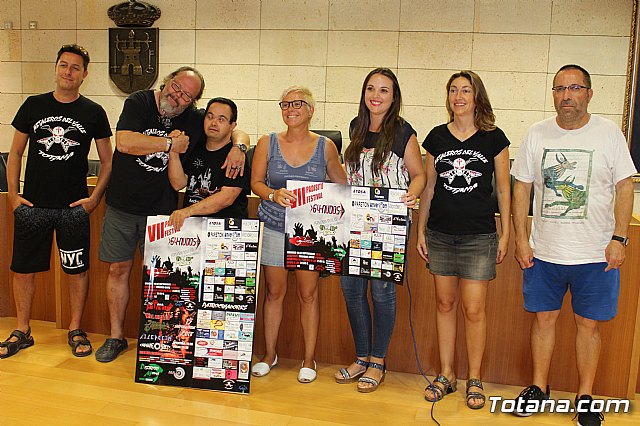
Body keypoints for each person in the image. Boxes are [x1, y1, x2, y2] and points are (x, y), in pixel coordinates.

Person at [95, 67, 249, 363]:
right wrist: (169, 144)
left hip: (163, 213)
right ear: (167, 81)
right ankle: (116, 337)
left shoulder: (193, 118)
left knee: (163, 280)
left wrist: (240, 147)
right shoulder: (139, 101)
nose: (177, 96)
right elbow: (124, 142)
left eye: (187, 95)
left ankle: (160, 343)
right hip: (122, 205)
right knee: (117, 270)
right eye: (176, 87)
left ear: (193, 101)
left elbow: (230, 126)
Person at [511, 64, 636, 425]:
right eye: (560, 88)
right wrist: (521, 239)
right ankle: (539, 388)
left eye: (575, 88)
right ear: (554, 94)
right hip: (544, 252)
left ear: (589, 94)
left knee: (588, 325)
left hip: (595, 254)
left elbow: (625, 186)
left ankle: (585, 397)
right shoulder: (537, 134)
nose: (567, 95)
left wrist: (619, 237)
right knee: (543, 320)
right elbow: (521, 189)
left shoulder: (609, 134)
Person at [1, 44, 112, 359]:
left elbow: (108, 161)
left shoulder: (93, 112)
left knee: (76, 270)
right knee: (23, 269)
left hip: (73, 209)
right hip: (32, 206)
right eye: (64, 65)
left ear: (84, 74)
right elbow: (15, 153)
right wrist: (13, 195)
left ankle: (75, 328)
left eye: (75, 67)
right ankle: (22, 330)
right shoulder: (33, 105)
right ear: (56, 68)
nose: (68, 72)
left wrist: (94, 199)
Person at [416, 70, 511, 409]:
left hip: (479, 236)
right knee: (444, 305)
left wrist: (506, 233)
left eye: (466, 90)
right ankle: (446, 374)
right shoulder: (436, 137)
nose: (459, 96)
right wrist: (420, 230)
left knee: (473, 310)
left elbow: (504, 190)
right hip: (440, 234)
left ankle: (474, 378)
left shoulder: (494, 138)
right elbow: (429, 188)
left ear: (476, 97)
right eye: (453, 90)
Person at [334, 68, 426, 392]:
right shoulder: (356, 127)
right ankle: (361, 356)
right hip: (355, 222)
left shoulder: (403, 132)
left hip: (388, 224)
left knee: (382, 292)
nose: (376, 95)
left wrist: (412, 193)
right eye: (371, 88)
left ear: (394, 96)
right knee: (351, 290)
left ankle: (377, 360)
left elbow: (419, 174)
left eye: (384, 90)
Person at [251, 86, 346, 383]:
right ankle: (270, 355)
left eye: (298, 104)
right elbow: (256, 183)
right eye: (285, 104)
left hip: (309, 232)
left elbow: (342, 184)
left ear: (311, 110)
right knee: (274, 292)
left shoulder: (326, 146)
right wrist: (272, 194)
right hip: (274, 226)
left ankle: (308, 359)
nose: (290, 109)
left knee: (308, 294)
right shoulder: (267, 142)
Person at [167, 97, 249, 230]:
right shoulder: (195, 147)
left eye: (221, 119)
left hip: (225, 231)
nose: (214, 123)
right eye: (210, 117)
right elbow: (179, 184)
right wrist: (173, 150)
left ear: (232, 126)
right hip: (192, 228)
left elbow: (227, 198)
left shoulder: (236, 156)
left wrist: (188, 211)